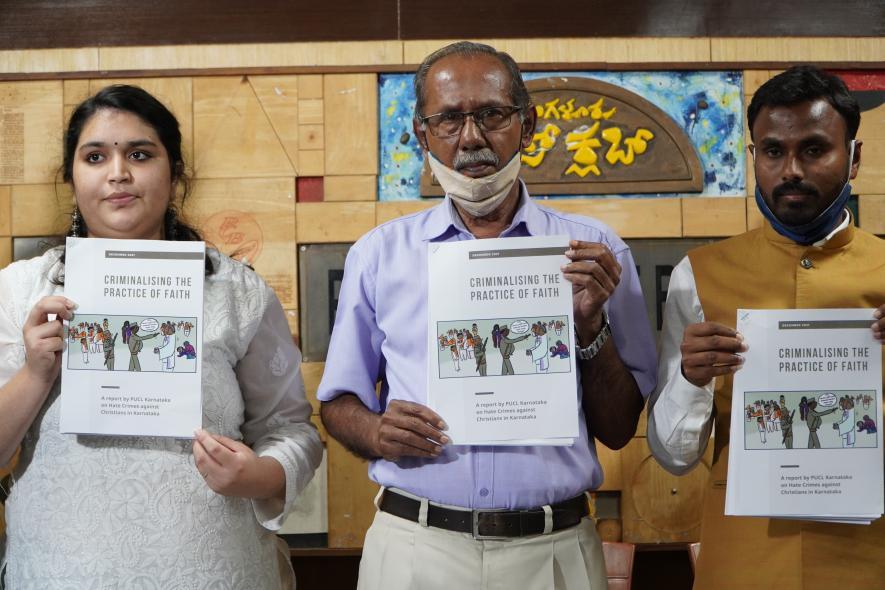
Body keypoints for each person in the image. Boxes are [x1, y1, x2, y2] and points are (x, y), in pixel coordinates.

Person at [317, 41, 656, 590]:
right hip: (415, 548)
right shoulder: (379, 255)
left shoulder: (594, 253)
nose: (471, 137)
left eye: (492, 115)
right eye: (448, 119)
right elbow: (337, 404)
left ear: (527, 125)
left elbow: (619, 430)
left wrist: (590, 328)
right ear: (422, 133)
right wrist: (378, 431)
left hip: (555, 551)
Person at [0, 85, 322, 588]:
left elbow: (293, 430)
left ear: (174, 174)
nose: (118, 173)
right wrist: (36, 372)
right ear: (71, 176)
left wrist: (262, 476)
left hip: (213, 570)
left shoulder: (236, 292)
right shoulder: (20, 291)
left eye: (140, 154)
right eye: (95, 156)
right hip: (63, 571)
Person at [647, 66, 885, 588]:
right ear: (754, 157)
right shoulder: (698, 275)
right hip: (745, 553)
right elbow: (674, 456)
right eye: (773, 151)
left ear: (855, 157)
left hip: (870, 552)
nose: (791, 170)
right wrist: (690, 380)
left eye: (814, 149)